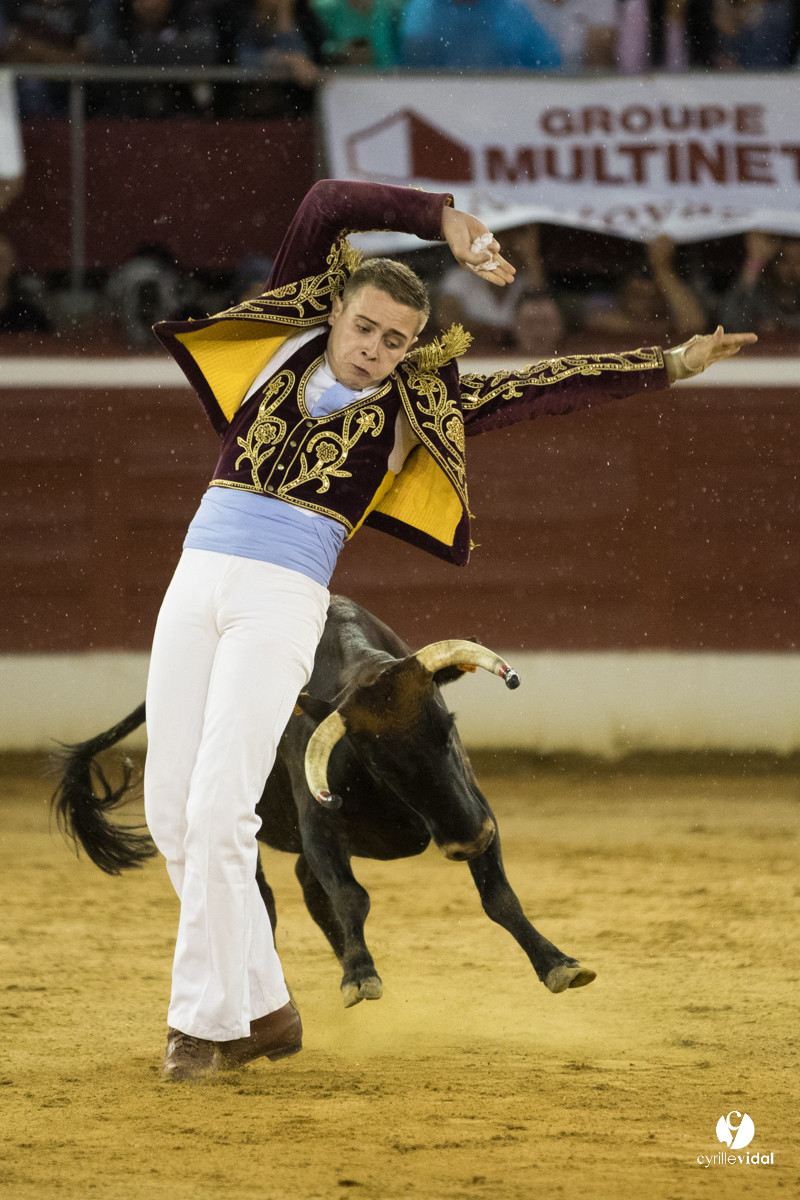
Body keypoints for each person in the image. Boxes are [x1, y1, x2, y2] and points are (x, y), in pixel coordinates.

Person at [148, 178, 755, 1082]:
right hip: (196, 575)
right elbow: (319, 203)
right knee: (171, 811)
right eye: (366, 330)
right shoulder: (289, 336)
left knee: (220, 807)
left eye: (397, 341)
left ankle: (200, 1028)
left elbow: (545, 387)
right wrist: (440, 218)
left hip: (282, 599)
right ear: (339, 311)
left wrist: (666, 364)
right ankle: (266, 1007)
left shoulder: (415, 406)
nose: (377, 351)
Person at [399, 0, 562, 70]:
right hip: (440, 112)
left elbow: (550, 67)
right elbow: (410, 74)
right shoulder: (421, 11)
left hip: (506, 113)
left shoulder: (513, 10)